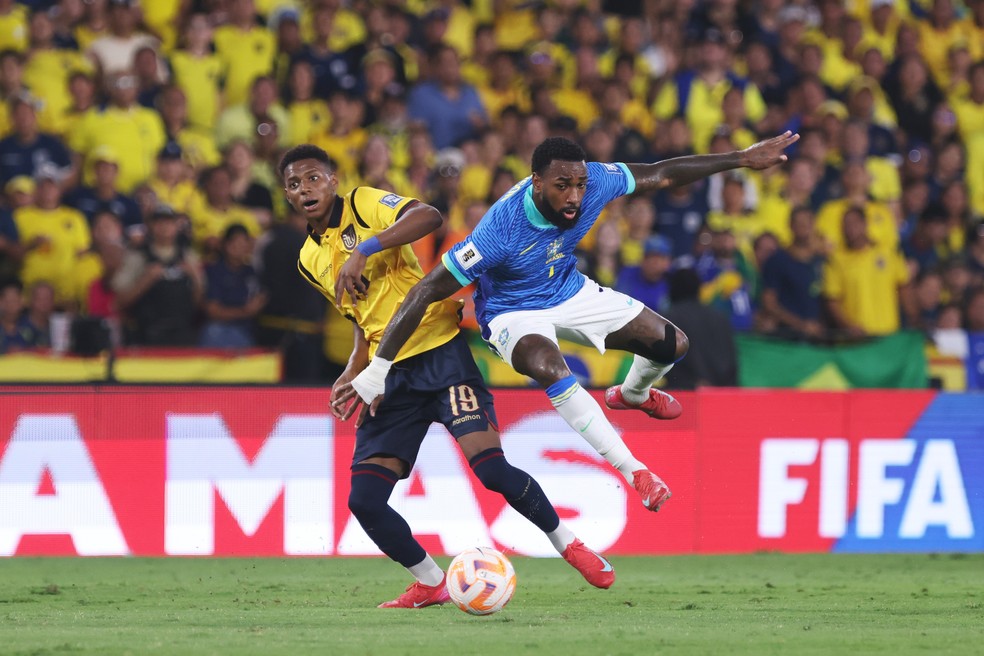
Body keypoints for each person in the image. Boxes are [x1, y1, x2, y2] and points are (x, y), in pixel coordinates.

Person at [336, 132, 798, 513]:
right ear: (537, 182)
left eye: (579, 184)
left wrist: (741, 158)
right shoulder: (498, 231)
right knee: (549, 364)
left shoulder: (596, 181)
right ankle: (636, 472)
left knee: (672, 345)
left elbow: (662, 173)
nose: (575, 196)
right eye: (562, 186)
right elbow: (423, 291)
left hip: (566, 288)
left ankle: (632, 394)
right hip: (511, 312)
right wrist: (377, 369)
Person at [279, 144, 615, 609]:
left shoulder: (363, 204)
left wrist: (367, 248)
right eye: (294, 184)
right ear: (287, 195)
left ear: (333, 181)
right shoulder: (306, 260)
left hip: (441, 356)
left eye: (313, 178)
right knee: (365, 500)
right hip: (388, 375)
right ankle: (431, 581)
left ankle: (570, 545)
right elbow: (359, 313)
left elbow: (429, 216)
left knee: (492, 470)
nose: (305, 189)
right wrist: (355, 365)